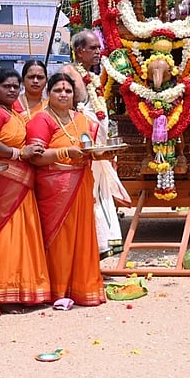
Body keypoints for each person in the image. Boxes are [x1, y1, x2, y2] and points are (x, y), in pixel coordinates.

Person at [26, 73, 105, 306]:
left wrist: (103, 154)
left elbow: (88, 148)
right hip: (55, 188)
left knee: (82, 237)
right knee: (59, 240)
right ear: (48, 94)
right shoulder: (42, 120)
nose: (63, 94)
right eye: (58, 90)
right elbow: (36, 158)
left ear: (74, 95)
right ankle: (57, 289)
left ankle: (81, 288)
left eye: (68, 91)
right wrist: (64, 153)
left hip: (80, 184)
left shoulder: (81, 119)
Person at [0, 68, 51, 305]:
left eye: (15, 86)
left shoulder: (13, 112)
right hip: (3, 182)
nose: (12, 90)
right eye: (6, 86)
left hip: (20, 183)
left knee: (23, 236)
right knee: (5, 236)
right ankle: (3, 293)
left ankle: (24, 290)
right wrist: (19, 153)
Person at [60, 30, 127, 258]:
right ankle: (87, 253)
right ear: (79, 51)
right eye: (93, 48)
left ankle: (100, 249)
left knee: (101, 194)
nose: (99, 52)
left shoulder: (93, 77)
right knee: (89, 196)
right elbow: (65, 113)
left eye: (99, 48)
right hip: (83, 149)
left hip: (99, 148)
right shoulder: (68, 73)